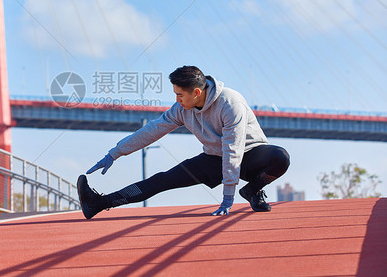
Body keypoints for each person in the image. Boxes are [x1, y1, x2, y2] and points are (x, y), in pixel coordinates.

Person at [77, 65, 290, 219]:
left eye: (180, 95)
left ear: (196, 93)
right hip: (214, 157)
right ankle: (98, 203)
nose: (177, 100)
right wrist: (114, 153)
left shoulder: (229, 103)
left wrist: (227, 198)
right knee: (162, 180)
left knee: (279, 157)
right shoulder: (182, 109)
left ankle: (253, 189)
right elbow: (152, 130)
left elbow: (233, 149)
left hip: (250, 154)